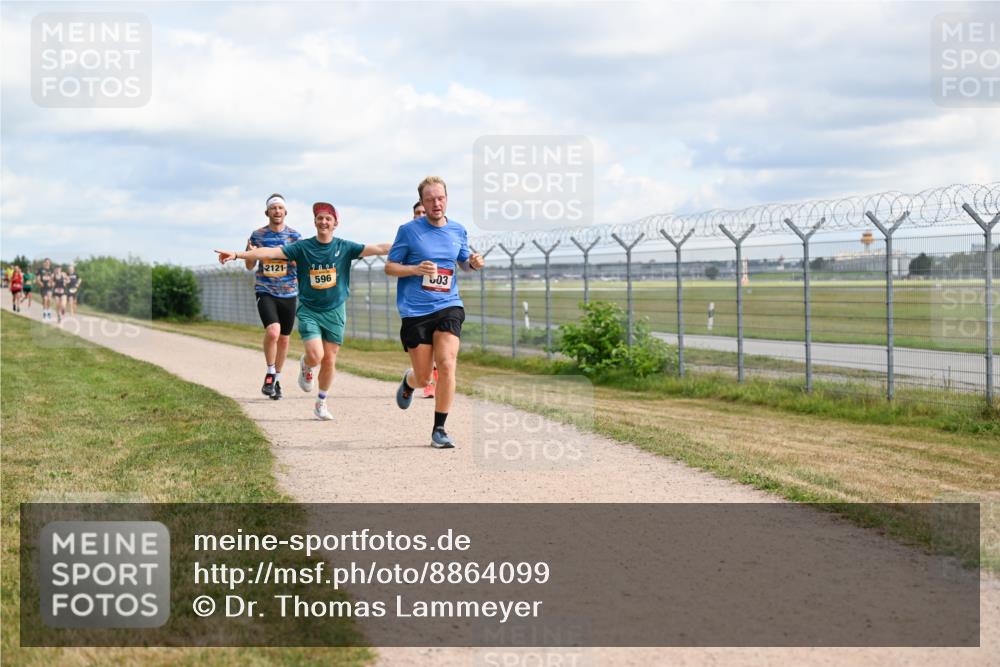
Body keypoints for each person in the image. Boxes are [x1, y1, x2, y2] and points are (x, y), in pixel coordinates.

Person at [216, 202, 390, 420]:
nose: (324, 222)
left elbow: (380, 248)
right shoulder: (303, 247)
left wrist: (409, 245)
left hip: (335, 310)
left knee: (330, 359)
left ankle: (321, 402)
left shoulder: (345, 247)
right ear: (315, 222)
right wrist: (237, 254)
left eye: (328, 218)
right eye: (320, 218)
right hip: (309, 309)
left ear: (336, 224)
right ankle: (307, 365)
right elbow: (270, 251)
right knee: (316, 355)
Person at [385, 176, 485, 449]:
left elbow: (464, 263)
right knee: (424, 377)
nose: (436, 203)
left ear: (447, 199)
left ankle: (439, 429)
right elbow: (390, 267)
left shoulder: (457, 230)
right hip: (415, 310)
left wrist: (474, 263)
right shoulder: (408, 231)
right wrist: (415, 269)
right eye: (430, 199)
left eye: (440, 198)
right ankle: (409, 381)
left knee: (447, 363)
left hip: (448, 305)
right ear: (423, 202)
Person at [245, 194, 302, 400]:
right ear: (267, 212)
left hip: (288, 292)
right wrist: (252, 254)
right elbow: (249, 265)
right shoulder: (257, 235)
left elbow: (301, 263)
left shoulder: (295, 236)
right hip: (265, 290)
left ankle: (276, 380)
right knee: (273, 331)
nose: (277, 211)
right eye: (273, 208)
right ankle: (270, 373)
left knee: (285, 340)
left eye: (280, 208)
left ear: (285, 212)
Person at [413, 200, 436, 399]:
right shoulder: (410, 237)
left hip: (440, 300)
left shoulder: (441, 234)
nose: (421, 215)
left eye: (423, 212)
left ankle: (432, 384)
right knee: (423, 354)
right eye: (417, 213)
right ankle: (421, 378)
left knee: (443, 347)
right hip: (416, 305)